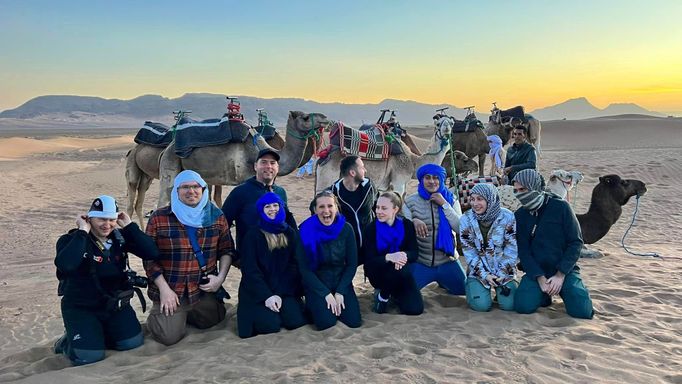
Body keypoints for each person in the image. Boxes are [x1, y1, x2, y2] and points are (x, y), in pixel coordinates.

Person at [54, 195, 158, 365]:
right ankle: (66, 342)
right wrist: (82, 232)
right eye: (101, 218)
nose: (107, 224)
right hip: (82, 307)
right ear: (90, 218)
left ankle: (96, 334)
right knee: (89, 357)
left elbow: (152, 252)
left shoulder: (120, 238)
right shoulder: (71, 240)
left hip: (114, 305)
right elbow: (66, 265)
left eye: (111, 219)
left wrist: (130, 226)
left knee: (131, 343)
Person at [144, 170, 236, 346]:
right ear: (176, 191)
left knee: (213, 319)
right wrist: (164, 289)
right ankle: (162, 316)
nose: (191, 191)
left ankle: (185, 314)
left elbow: (227, 249)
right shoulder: (160, 218)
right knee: (168, 337)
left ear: (203, 190)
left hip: (201, 289)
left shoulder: (216, 216)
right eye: (185, 187)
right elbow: (149, 259)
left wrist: (220, 279)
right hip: (172, 289)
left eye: (195, 187)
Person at [512, 169, 594, 319]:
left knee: (582, 312)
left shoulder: (561, 208)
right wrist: (540, 277)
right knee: (523, 306)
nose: (519, 194)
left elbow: (576, 242)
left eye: (523, 189)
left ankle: (574, 290)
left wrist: (560, 274)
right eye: (516, 190)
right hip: (537, 272)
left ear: (535, 186)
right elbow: (523, 250)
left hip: (564, 270)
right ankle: (543, 295)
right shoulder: (520, 215)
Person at [237, 192, 307, 338]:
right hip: (259, 291)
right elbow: (250, 270)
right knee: (269, 326)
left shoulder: (290, 233)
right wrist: (267, 296)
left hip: (283, 288)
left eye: (275, 205)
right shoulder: (253, 236)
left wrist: (280, 292)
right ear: (261, 210)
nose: (272, 209)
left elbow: (294, 266)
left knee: (295, 321)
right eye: (267, 206)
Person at [298, 190, 362, 330]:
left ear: (336, 208)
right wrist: (325, 294)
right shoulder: (305, 230)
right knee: (326, 323)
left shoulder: (346, 229)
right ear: (315, 210)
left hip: (341, 282)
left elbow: (352, 264)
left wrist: (340, 291)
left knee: (354, 321)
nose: (326, 211)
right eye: (321, 207)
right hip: (318, 283)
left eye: (330, 206)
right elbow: (304, 269)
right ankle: (311, 305)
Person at [222, 148, 297, 261]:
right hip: (251, 259)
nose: (269, 166)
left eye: (272, 163)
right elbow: (223, 224)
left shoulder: (280, 192)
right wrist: (232, 253)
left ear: (278, 167)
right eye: (264, 162)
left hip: (280, 259)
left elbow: (286, 223)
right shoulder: (240, 192)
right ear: (255, 166)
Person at [402, 163, 466, 295]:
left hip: (448, 261)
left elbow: (460, 228)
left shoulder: (451, 200)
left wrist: (444, 205)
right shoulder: (410, 202)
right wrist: (413, 221)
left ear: (441, 180)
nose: (432, 181)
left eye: (436, 178)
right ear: (421, 180)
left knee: (464, 290)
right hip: (421, 262)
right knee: (405, 295)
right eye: (428, 177)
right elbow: (402, 229)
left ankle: (444, 279)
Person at [361, 192, 423, 315]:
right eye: (377, 207)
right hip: (378, 272)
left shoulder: (407, 225)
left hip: (402, 273)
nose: (379, 211)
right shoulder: (371, 229)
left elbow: (414, 253)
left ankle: (395, 294)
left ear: (395, 209)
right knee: (397, 266)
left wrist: (403, 255)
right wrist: (389, 257)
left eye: (384, 208)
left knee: (415, 309)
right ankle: (383, 297)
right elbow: (369, 260)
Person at [459, 183, 518, 312]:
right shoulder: (466, 219)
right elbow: (469, 253)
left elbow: (511, 249)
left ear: (490, 199)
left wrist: (502, 273)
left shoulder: (507, 217)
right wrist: (485, 275)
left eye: (480, 199)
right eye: (472, 199)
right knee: (481, 306)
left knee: (510, 306)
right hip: (479, 272)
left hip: (503, 270)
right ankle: (473, 287)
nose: (475, 203)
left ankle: (501, 291)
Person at [317, 155, 377, 261]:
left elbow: (378, 208)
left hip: (370, 246)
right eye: (362, 167)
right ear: (352, 173)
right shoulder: (333, 193)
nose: (365, 170)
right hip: (346, 250)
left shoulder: (370, 187)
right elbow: (316, 209)